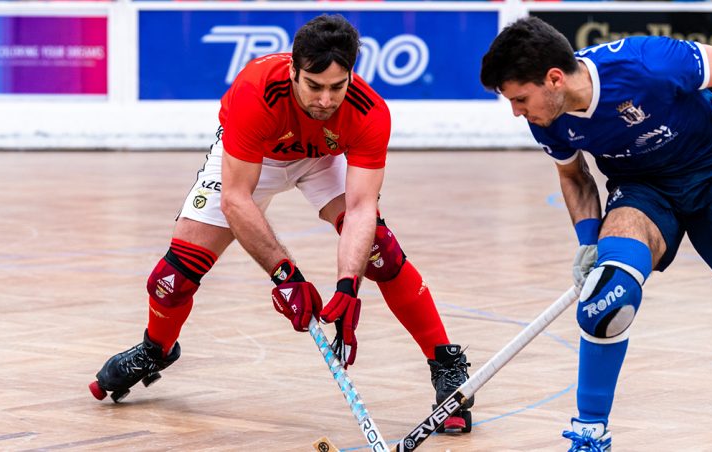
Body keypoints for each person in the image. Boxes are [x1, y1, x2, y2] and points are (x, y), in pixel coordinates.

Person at [89, 14, 474, 431]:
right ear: (293, 70)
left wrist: (347, 285)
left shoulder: (369, 112)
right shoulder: (256, 91)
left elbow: (362, 208)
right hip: (253, 160)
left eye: (337, 88)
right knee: (171, 279)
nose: (326, 100)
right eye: (314, 86)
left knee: (381, 252)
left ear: (352, 77)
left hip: (322, 159)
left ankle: (446, 364)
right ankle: (156, 350)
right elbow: (236, 200)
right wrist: (285, 275)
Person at [480, 17, 712, 451]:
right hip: (643, 189)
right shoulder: (547, 118)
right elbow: (575, 177)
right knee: (605, 298)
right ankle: (591, 433)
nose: (518, 111)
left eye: (520, 98)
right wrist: (590, 241)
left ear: (554, 78)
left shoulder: (647, 63)